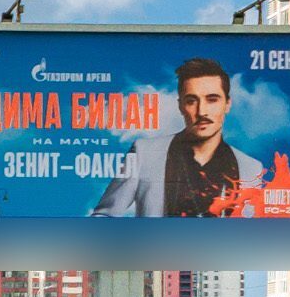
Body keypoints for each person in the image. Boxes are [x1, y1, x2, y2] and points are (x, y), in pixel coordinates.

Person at [90, 56, 269, 217]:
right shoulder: (144, 153)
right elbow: (103, 217)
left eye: (212, 99)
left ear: (227, 104)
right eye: (191, 101)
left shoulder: (251, 168)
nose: (202, 111)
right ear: (181, 106)